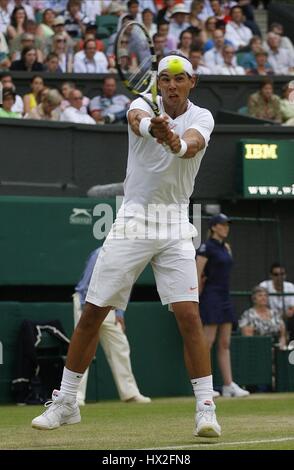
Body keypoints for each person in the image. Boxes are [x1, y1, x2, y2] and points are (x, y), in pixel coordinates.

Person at [32, 52, 221, 438]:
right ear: (158, 83)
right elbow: (138, 122)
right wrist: (156, 128)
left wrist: (175, 142)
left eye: (178, 79)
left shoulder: (203, 117)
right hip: (133, 219)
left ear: (191, 82)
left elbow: (192, 144)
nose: (170, 85)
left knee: (189, 316)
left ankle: (206, 408)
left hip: (175, 223)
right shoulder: (141, 104)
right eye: (165, 79)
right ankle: (67, 401)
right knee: (93, 312)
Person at [73, 248, 151, 406]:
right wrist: (85, 310)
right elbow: (86, 283)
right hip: (87, 303)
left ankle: (129, 393)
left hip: (112, 306)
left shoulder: (132, 257)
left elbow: (125, 286)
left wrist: (120, 313)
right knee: (83, 347)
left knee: (120, 346)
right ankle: (75, 395)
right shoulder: (99, 254)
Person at [196, 213, 250, 398]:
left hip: (225, 297)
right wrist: (195, 299)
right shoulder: (205, 248)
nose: (226, 227)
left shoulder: (226, 247)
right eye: (222, 224)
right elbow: (197, 274)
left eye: (227, 224)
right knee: (207, 341)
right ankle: (204, 387)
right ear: (213, 227)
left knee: (225, 342)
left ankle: (228, 385)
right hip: (211, 296)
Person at [260, 263, 294, 342]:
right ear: (271, 276)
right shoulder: (264, 285)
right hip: (269, 317)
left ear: (285, 275)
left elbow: (292, 309)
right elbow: (262, 306)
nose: (279, 277)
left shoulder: (291, 286)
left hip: (287, 318)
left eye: (282, 274)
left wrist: (284, 315)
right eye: (276, 274)